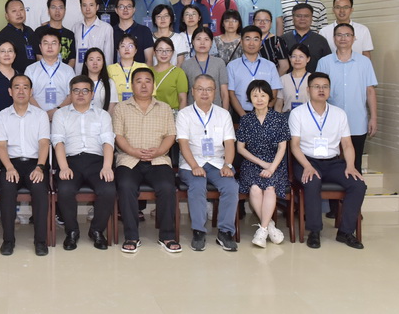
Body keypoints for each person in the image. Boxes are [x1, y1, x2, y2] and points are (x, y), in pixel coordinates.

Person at [289, 72, 366, 249]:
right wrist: (307, 166)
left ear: (330, 90)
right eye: (317, 86)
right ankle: (314, 231)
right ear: (308, 90)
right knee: (312, 182)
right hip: (306, 161)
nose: (321, 90)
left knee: (358, 184)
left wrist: (350, 166)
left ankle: (345, 232)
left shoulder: (339, 114)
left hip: (333, 162)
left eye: (325, 87)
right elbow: (295, 145)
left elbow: (347, 144)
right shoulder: (297, 113)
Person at [113, 67, 179, 253]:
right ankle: (131, 236)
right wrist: (133, 151)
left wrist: (159, 151)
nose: (143, 85)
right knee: (126, 186)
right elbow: (118, 136)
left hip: (158, 160)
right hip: (129, 159)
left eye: (147, 81)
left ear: (153, 85)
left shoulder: (164, 108)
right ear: (132, 85)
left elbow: (170, 135)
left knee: (167, 187)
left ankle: (167, 236)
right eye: (139, 81)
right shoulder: (121, 108)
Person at [176, 74, 239, 252]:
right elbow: (183, 144)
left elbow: (229, 143)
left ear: (215, 92)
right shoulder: (184, 114)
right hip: (191, 162)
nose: (204, 93)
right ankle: (198, 231)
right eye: (200, 89)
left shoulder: (223, 114)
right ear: (193, 91)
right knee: (197, 184)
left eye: (209, 89)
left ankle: (225, 232)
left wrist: (228, 165)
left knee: (231, 186)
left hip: (217, 162)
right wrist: (195, 166)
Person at [53, 75, 116, 250]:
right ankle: (72, 231)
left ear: (92, 94)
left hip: (97, 161)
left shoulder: (102, 115)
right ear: (70, 93)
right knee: (65, 189)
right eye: (76, 90)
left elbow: (108, 142)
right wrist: (63, 167)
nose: (80, 94)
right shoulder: (61, 114)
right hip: (70, 161)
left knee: (108, 189)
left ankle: (96, 230)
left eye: (85, 90)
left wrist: (107, 167)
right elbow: (58, 142)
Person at [0, 75, 51, 256]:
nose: (21, 91)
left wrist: (40, 167)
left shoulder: (41, 115)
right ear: (10, 91)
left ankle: (40, 241)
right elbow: (1, 146)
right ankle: (8, 240)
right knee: (7, 190)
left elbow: (44, 143)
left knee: (40, 191)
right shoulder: (2, 116)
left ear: (31, 91)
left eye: (25, 87)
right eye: (17, 87)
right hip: (11, 163)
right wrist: (9, 167)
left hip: (35, 163)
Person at [316, 23, 378, 171]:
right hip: (330, 122)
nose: (343, 38)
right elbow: (317, 93)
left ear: (354, 38)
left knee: (355, 164)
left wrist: (374, 118)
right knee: (330, 164)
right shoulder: (324, 62)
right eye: (339, 35)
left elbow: (370, 91)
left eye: (347, 35)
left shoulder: (364, 62)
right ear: (334, 38)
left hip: (357, 122)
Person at [236, 79, 289, 248]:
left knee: (270, 188)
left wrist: (271, 167)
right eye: (255, 96)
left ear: (269, 98)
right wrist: (261, 163)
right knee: (255, 188)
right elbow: (240, 148)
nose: (259, 99)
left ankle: (263, 229)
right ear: (249, 98)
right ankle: (269, 227)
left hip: (275, 163)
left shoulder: (279, 119)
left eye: (263, 95)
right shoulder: (246, 120)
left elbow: (282, 147)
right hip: (251, 163)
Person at [227, 26, 282, 120]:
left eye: (256, 39)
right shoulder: (232, 66)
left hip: (266, 116)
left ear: (261, 42)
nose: (251, 43)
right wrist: (244, 117)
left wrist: (264, 113)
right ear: (241, 42)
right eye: (247, 39)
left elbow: (274, 92)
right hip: (240, 115)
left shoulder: (270, 66)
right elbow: (231, 94)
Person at [24, 30, 74, 120]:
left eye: (54, 43)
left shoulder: (68, 70)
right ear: (40, 47)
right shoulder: (30, 70)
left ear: (59, 47)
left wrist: (57, 111)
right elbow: (27, 95)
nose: (50, 46)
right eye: (46, 43)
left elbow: (72, 94)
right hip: (36, 118)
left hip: (62, 117)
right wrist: (42, 114)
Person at [181, 27, 229, 110]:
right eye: (198, 39)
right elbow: (183, 94)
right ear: (193, 42)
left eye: (206, 39)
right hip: (193, 112)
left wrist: (225, 113)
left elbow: (224, 93)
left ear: (211, 43)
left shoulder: (219, 63)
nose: (202, 43)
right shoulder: (186, 65)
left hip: (216, 111)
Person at [72, 0, 114, 75]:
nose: (87, 9)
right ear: (80, 7)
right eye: (84, 5)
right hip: (79, 74)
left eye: (91, 5)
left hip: (98, 75)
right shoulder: (75, 27)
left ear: (97, 7)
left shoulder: (106, 28)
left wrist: (106, 77)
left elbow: (108, 56)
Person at [280, 3, 331, 72]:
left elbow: (327, 64)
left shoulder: (321, 40)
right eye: (298, 16)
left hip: (314, 78)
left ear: (312, 18)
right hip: (288, 78)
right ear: (293, 18)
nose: (302, 19)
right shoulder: (282, 40)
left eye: (306, 16)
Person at [0, 0, 37, 74]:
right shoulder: (3, 36)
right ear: (7, 16)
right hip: (14, 76)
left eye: (21, 9)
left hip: (33, 75)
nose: (19, 13)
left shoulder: (30, 31)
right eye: (14, 11)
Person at [34, 0, 76, 68]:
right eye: (53, 7)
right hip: (44, 71)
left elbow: (72, 59)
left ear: (65, 10)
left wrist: (65, 72)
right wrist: (51, 71)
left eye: (60, 8)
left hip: (65, 73)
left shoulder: (70, 34)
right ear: (48, 10)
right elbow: (38, 55)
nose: (57, 11)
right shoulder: (39, 31)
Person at [112, 0, 154, 64]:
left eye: (129, 6)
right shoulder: (111, 31)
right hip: (116, 70)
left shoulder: (144, 31)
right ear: (116, 10)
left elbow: (149, 60)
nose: (125, 10)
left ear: (134, 9)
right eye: (121, 7)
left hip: (139, 70)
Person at [107, 34, 149, 102]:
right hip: (116, 106)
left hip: (139, 106)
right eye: (123, 46)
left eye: (130, 46)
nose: (126, 49)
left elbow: (150, 92)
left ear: (136, 50)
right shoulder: (110, 69)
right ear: (118, 50)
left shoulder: (143, 67)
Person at [152, 37, 188, 112]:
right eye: (160, 50)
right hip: (150, 114)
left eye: (168, 50)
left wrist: (180, 117)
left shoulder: (178, 73)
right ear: (154, 52)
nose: (164, 53)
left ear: (172, 53)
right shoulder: (148, 72)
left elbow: (182, 99)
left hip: (171, 114)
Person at [275, 44, 312, 113]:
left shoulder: (313, 79)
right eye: (294, 56)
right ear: (290, 58)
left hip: (308, 116)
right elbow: (279, 104)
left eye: (301, 56)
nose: (297, 59)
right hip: (287, 116)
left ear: (308, 59)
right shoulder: (283, 79)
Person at [253, 9, 290, 75]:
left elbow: (284, 66)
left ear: (271, 24)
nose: (262, 22)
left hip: (270, 79)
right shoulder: (247, 40)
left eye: (266, 20)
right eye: (258, 20)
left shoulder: (277, 41)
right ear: (253, 23)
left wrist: (274, 79)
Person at [81, 48, 118, 114]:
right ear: (86, 63)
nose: (95, 63)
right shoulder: (79, 82)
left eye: (98, 60)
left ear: (103, 62)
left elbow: (111, 107)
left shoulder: (110, 83)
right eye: (91, 59)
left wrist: (104, 119)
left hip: (103, 119)